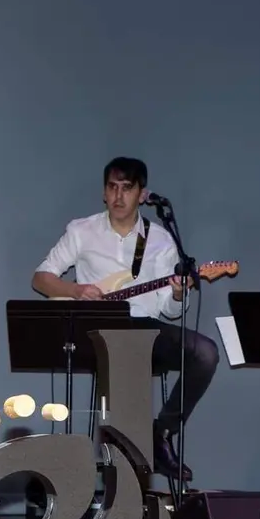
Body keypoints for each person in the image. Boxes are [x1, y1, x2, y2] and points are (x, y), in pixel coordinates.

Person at [32, 156, 219, 481]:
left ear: (142, 195)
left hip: (144, 327)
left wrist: (177, 294)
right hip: (97, 329)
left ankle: (160, 434)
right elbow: (41, 278)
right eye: (112, 188)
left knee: (205, 353)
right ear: (104, 192)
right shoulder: (82, 230)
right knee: (122, 355)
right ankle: (119, 486)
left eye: (127, 189)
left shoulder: (160, 240)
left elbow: (168, 310)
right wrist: (76, 291)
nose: (118, 197)